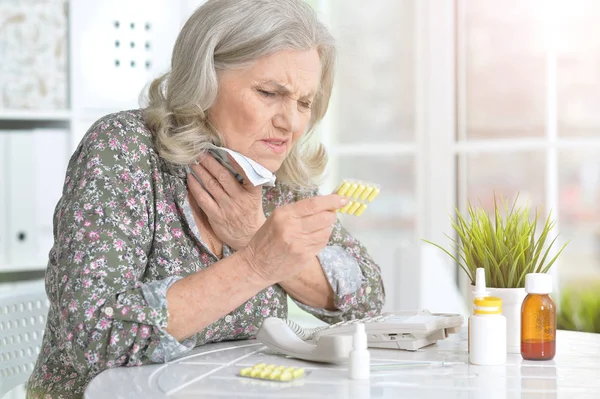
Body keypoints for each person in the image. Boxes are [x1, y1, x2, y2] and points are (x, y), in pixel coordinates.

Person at [27, 0, 385, 397]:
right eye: (269, 93)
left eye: (304, 102)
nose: (293, 122)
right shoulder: (122, 149)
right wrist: (256, 263)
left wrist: (254, 234)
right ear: (203, 82)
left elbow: (364, 300)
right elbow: (96, 334)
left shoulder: (276, 174)